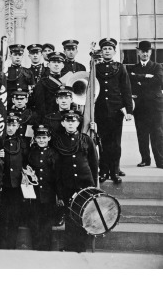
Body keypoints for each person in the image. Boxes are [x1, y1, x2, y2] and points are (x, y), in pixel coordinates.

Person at [53, 110, 98, 252]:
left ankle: (81, 247)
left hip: (85, 183)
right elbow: (57, 167)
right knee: (69, 214)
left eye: (74, 121)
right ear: (63, 123)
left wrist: (93, 185)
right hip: (68, 184)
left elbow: (93, 163)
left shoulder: (86, 140)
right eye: (68, 121)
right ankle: (70, 246)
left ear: (78, 123)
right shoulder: (58, 141)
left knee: (83, 214)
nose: (71, 124)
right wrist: (59, 191)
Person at [95, 38, 133, 184]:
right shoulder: (96, 68)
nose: (107, 51)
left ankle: (114, 171)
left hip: (116, 111)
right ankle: (103, 171)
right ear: (101, 51)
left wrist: (129, 111)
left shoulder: (120, 67)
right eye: (104, 49)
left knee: (115, 143)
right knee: (103, 142)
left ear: (114, 51)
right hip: (100, 111)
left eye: (109, 49)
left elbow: (126, 90)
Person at [0, 113, 29, 249]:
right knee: (2, 217)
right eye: (8, 125)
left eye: (13, 125)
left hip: (16, 185)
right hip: (2, 185)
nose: (10, 128)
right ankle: (2, 246)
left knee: (14, 216)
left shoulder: (22, 143)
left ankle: (11, 246)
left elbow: (26, 162)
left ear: (18, 126)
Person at [128, 40, 163, 168]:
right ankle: (145, 159)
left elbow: (158, 80)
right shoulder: (132, 68)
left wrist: (139, 79)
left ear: (150, 52)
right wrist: (147, 76)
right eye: (142, 51)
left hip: (155, 107)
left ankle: (160, 161)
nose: (145, 54)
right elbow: (130, 81)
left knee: (157, 134)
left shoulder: (157, 66)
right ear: (138, 52)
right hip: (140, 107)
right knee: (142, 134)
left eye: (147, 51)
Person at [26, 125, 59, 251]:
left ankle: (46, 250)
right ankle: (36, 249)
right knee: (34, 223)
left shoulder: (53, 153)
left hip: (48, 194)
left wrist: (58, 195)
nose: (41, 140)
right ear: (35, 139)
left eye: (44, 138)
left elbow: (57, 176)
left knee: (46, 224)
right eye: (39, 138)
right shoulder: (31, 153)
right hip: (34, 195)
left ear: (49, 138)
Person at [33, 51, 66, 119]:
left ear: (63, 65)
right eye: (53, 62)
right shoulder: (42, 83)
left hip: (65, 118)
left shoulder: (68, 81)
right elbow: (39, 105)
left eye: (59, 62)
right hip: (50, 118)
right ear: (48, 65)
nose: (56, 64)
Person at [6, 44, 34, 110]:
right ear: (10, 56)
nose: (17, 57)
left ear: (22, 56)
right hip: (9, 103)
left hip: (24, 103)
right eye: (15, 55)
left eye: (20, 55)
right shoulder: (6, 71)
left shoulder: (28, 72)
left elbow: (32, 90)